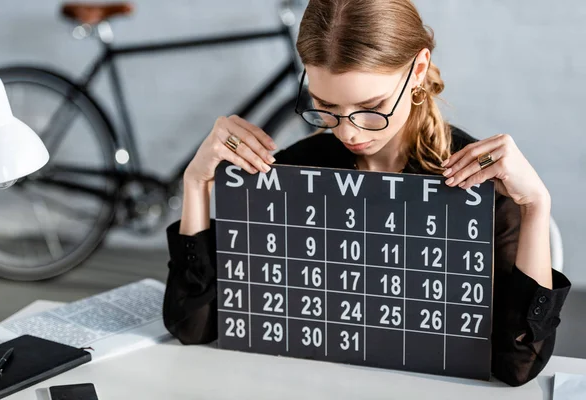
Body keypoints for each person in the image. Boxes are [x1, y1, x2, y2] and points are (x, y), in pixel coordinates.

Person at [162, 0, 570, 387]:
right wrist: (196, 184)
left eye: (371, 107)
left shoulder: (478, 189)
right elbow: (194, 327)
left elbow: (518, 366)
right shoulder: (293, 174)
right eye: (325, 107)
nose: (348, 132)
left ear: (418, 68)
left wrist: (536, 206)